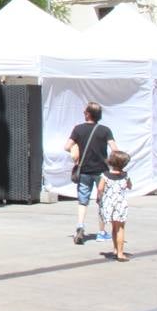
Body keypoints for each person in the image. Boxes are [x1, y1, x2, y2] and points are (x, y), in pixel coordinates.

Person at [65, 101, 117, 245]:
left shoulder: (78, 129)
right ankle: (101, 232)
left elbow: (67, 146)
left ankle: (80, 226)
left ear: (88, 114)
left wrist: (76, 151)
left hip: (84, 170)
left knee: (83, 200)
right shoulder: (105, 130)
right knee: (102, 201)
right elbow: (115, 149)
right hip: (102, 171)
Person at [96, 150, 132, 261]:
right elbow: (129, 186)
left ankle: (116, 249)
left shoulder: (105, 175)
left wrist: (99, 197)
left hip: (109, 204)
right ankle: (120, 253)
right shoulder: (125, 175)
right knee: (120, 228)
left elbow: (100, 188)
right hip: (120, 205)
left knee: (113, 227)